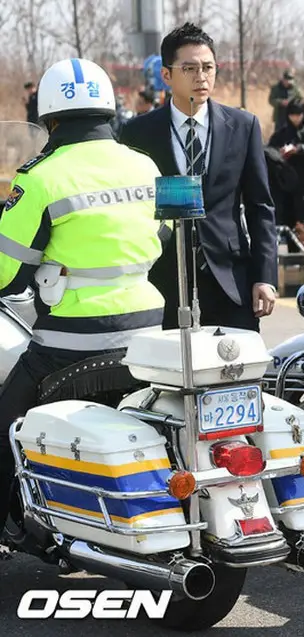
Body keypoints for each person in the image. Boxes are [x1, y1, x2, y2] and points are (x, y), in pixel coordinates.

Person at [0, 57, 165, 536]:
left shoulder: (40, 177)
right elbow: (164, 234)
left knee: (4, 427)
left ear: (49, 119)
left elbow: (8, 276)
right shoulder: (143, 165)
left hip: (71, 340)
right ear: (108, 110)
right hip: (146, 331)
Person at [120, 22, 278, 332]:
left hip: (229, 279)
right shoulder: (138, 132)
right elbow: (129, 209)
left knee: (233, 360)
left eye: (208, 67)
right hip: (162, 278)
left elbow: (261, 207)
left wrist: (264, 277)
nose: (201, 76)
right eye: (190, 68)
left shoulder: (243, 126)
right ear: (167, 75)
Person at [267, 98, 304, 230]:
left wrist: (302, 150)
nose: (295, 119)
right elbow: (269, 152)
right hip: (285, 187)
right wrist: (279, 154)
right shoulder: (281, 134)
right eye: (292, 115)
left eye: (298, 115)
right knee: (286, 224)